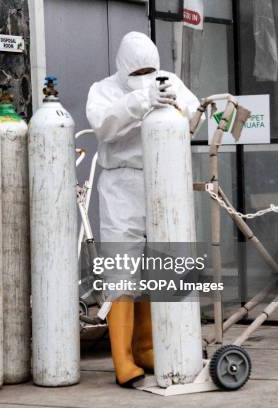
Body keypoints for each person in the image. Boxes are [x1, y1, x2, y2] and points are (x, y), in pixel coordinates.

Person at [86, 31, 200, 388]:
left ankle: (148, 348)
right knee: (122, 267)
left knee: (159, 262)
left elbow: (195, 118)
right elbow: (104, 127)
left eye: (152, 70)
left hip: (163, 176)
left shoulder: (171, 81)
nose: (147, 76)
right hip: (122, 184)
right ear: (122, 67)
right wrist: (140, 101)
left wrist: (178, 105)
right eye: (138, 72)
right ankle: (122, 359)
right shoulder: (102, 90)